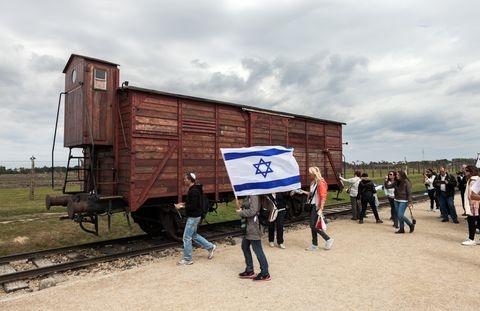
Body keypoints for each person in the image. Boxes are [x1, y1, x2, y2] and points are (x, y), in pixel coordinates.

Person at [175, 172, 216, 265]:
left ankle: (187, 259)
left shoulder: (193, 191)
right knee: (193, 235)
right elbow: (194, 203)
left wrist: (181, 206)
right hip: (196, 216)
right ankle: (210, 247)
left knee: (186, 237)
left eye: (185, 179)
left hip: (193, 217)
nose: (184, 180)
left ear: (190, 180)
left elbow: (193, 206)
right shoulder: (196, 189)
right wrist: (183, 204)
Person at [235, 195, 271, 281]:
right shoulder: (252, 194)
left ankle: (265, 273)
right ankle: (249, 270)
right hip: (250, 226)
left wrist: (241, 212)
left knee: (258, 249)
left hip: (254, 227)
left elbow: (253, 210)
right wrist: (242, 205)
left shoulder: (254, 195)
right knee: (244, 246)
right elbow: (250, 206)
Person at [299, 166, 334, 251]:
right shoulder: (313, 182)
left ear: (314, 174)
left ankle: (328, 239)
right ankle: (314, 245)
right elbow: (312, 194)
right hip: (312, 206)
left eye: (310, 173)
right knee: (313, 226)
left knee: (313, 226)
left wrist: (321, 208)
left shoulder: (321, 183)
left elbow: (323, 197)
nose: (309, 174)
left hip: (317, 207)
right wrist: (302, 192)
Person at [461, 165, 479, 245]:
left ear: (471, 171)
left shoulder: (472, 181)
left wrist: (470, 206)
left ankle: (471, 239)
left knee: (471, 222)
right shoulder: (476, 179)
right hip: (476, 205)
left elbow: (471, 195)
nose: (464, 171)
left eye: (466, 170)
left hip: (474, 205)